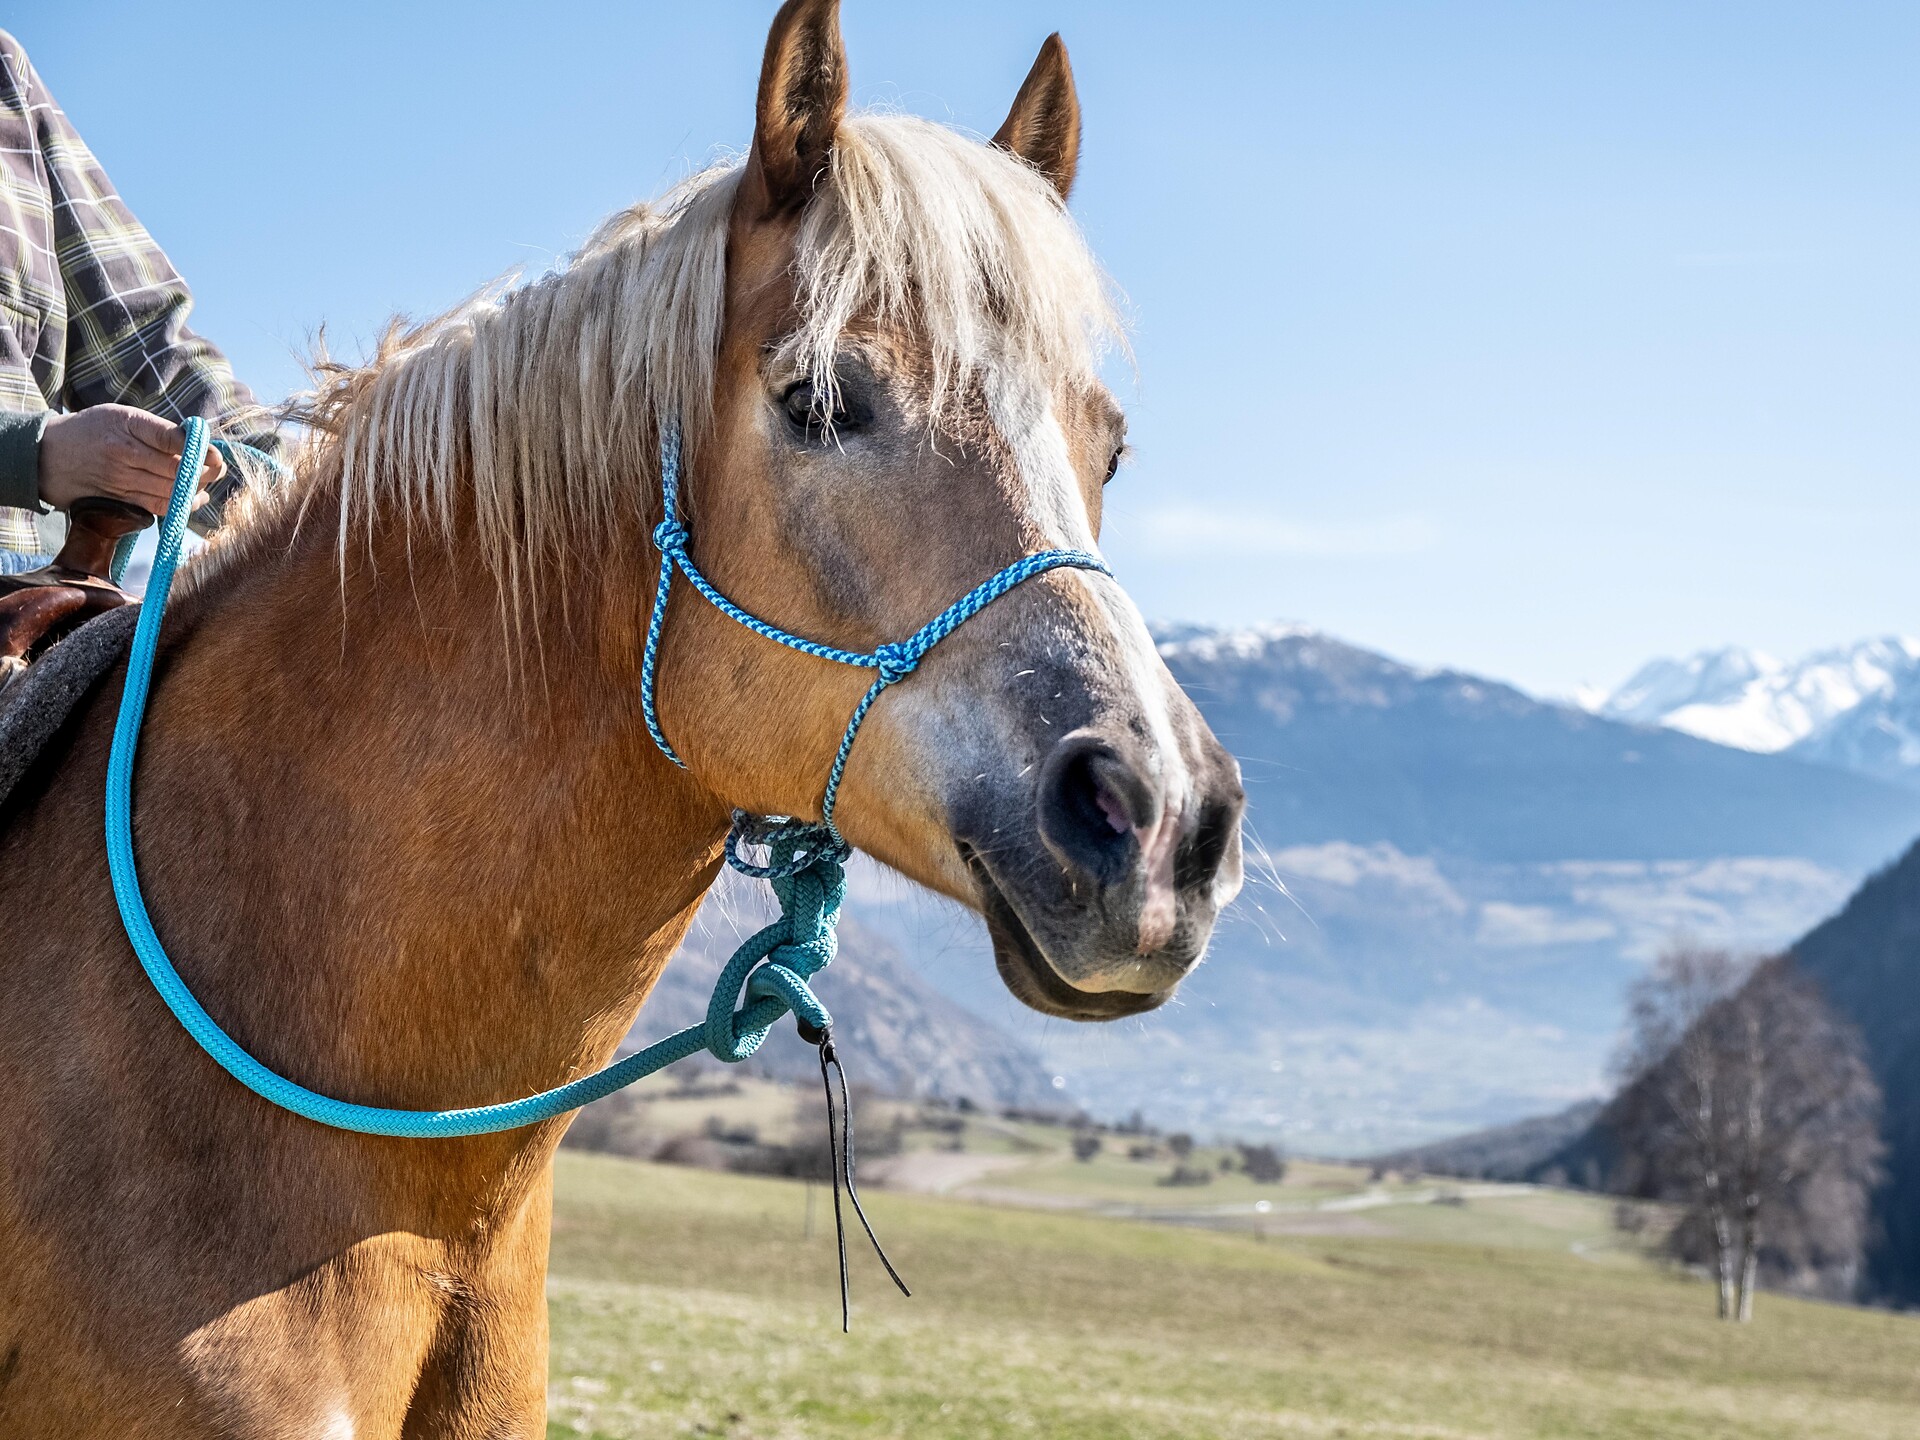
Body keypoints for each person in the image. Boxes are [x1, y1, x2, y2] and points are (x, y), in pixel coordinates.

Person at [0, 29, 281, 577]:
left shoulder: (4, 72)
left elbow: (143, 340)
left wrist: (317, 491)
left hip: (34, 590)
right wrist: (31, 454)